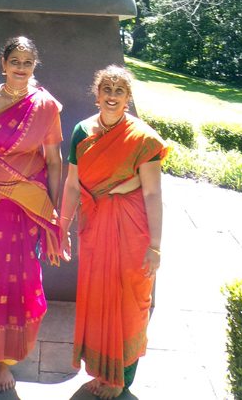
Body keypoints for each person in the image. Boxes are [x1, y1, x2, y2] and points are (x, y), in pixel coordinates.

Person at [0, 36, 63, 395]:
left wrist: (51, 211)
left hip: (26, 206)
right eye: (15, 60)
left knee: (19, 281)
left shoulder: (46, 106)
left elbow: (53, 161)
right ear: (3, 63)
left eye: (28, 62)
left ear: (35, 66)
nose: (21, 67)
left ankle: (5, 361)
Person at [60, 65, 168, 399]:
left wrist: (156, 246)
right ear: (97, 94)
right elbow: (73, 185)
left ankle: (121, 379)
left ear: (128, 97)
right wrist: (62, 226)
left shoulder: (143, 139)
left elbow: (152, 194)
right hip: (94, 227)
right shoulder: (81, 132)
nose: (111, 95)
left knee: (128, 300)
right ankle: (104, 372)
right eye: (106, 88)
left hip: (131, 231)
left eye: (119, 90)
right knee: (97, 297)